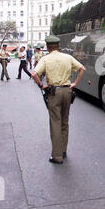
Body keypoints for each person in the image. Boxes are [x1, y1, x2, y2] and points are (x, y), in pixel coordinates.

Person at [32, 35, 86, 164]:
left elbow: (34, 74)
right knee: (64, 121)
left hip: (54, 92)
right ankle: (63, 150)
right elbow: (82, 69)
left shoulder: (45, 59)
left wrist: (41, 85)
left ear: (47, 47)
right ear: (58, 45)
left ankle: (57, 156)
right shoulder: (67, 57)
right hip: (67, 91)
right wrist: (75, 84)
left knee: (55, 122)